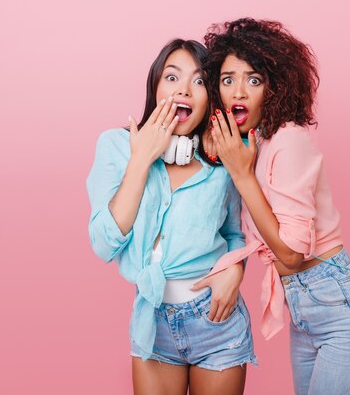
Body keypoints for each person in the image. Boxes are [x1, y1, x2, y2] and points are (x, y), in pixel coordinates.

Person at [198, 18, 350, 395]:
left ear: (274, 86)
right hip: (304, 313)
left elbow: (292, 253)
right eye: (227, 79)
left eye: (254, 80)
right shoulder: (256, 143)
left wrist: (243, 175)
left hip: (341, 309)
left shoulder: (289, 140)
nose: (239, 90)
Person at [86, 38, 256, 395]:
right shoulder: (115, 146)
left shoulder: (222, 156)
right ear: (155, 86)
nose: (185, 90)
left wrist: (235, 270)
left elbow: (234, 232)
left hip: (217, 320)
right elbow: (103, 244)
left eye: (198, 81)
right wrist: (141, 159)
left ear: (210, 95)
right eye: (172, 77)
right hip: (153, 323)